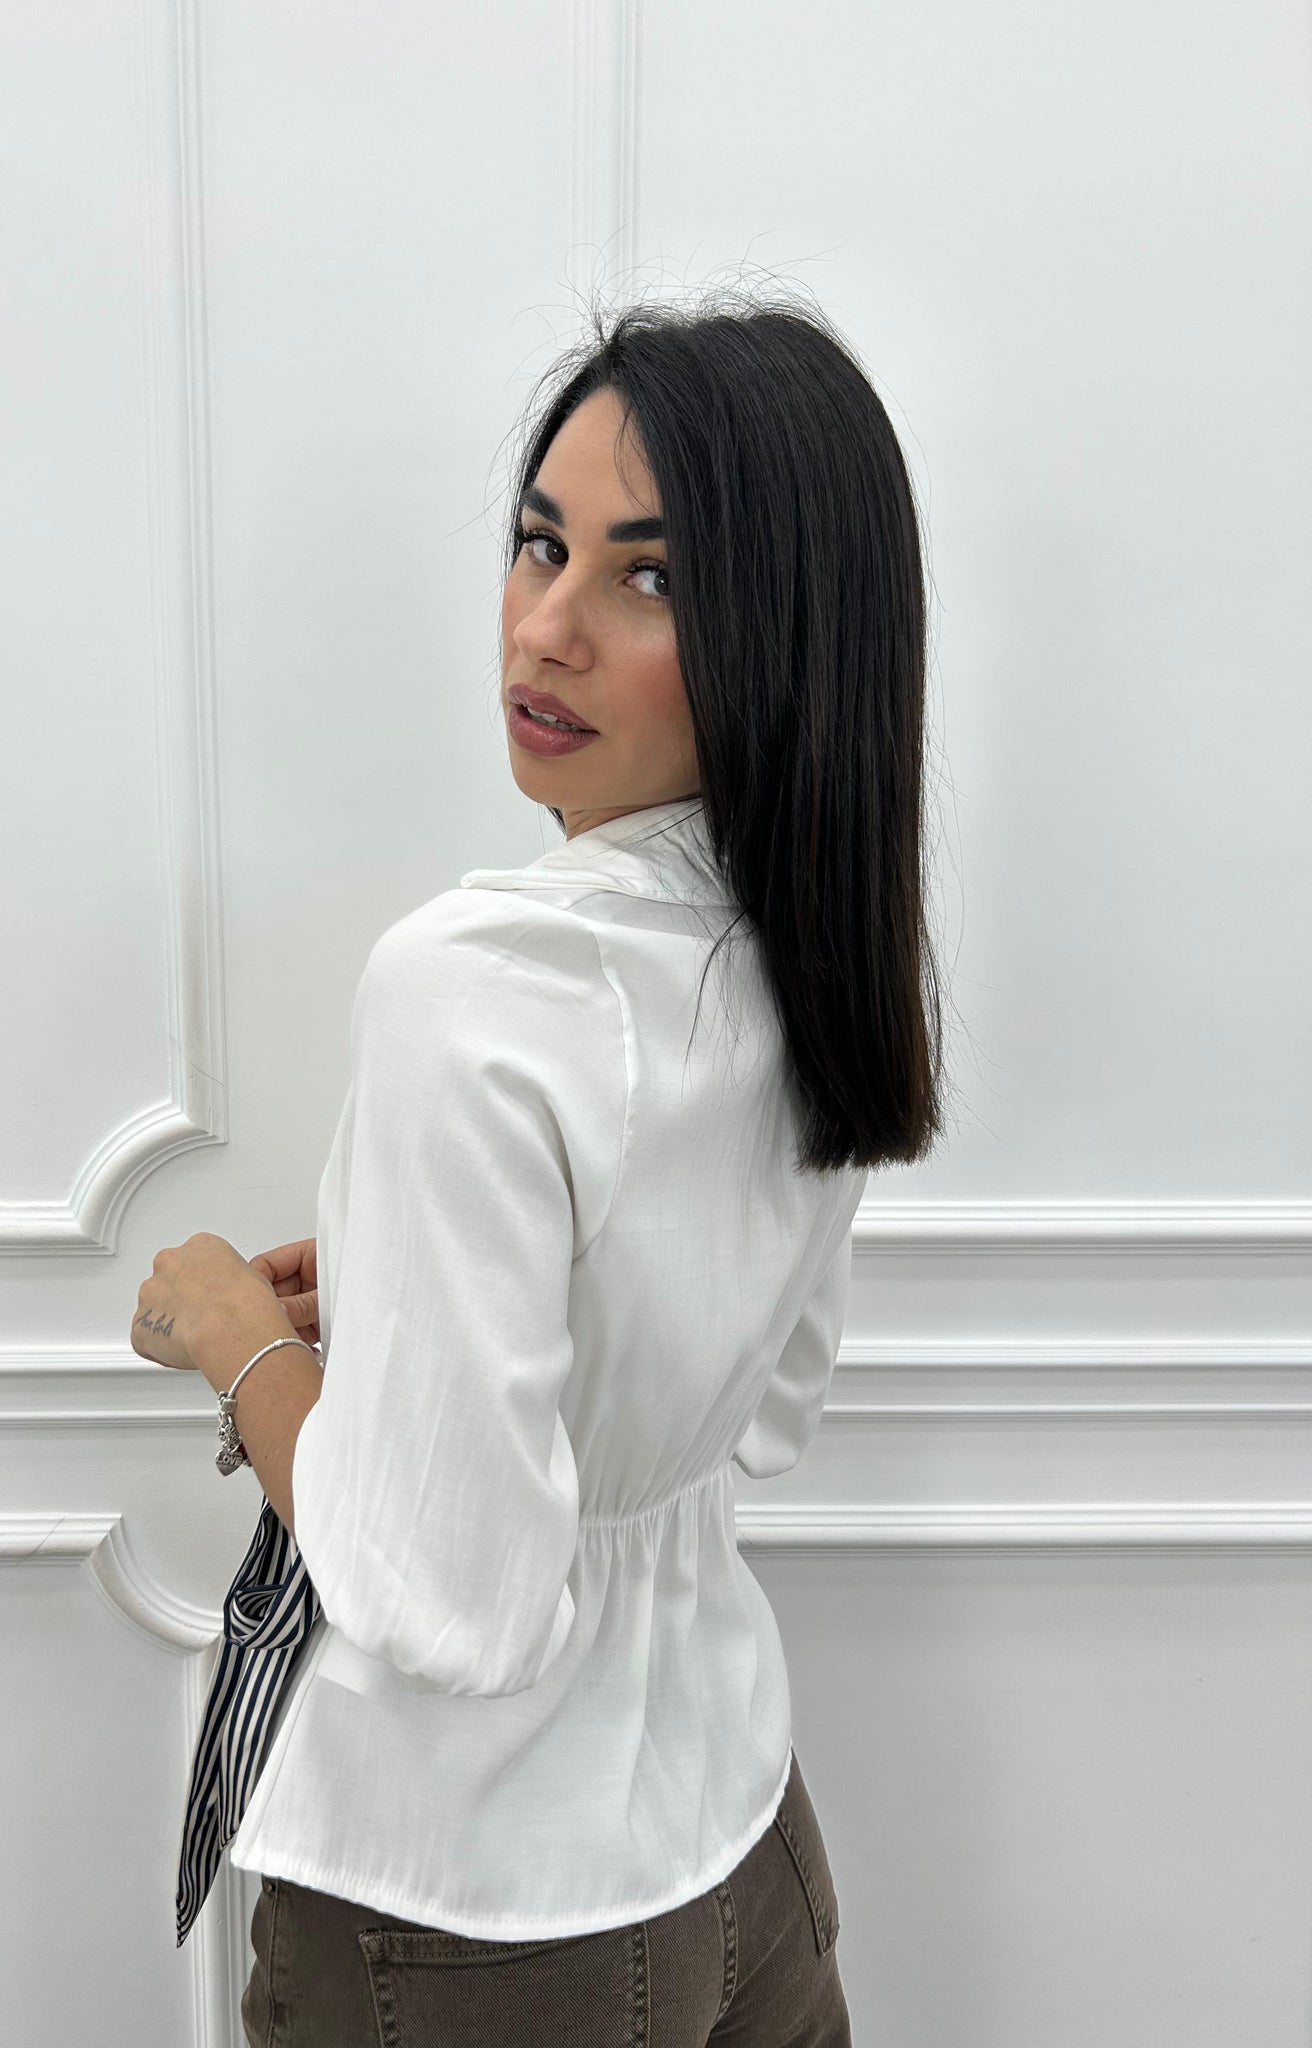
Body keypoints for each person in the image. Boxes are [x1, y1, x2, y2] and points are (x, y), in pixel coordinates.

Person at [132, 281, 946, 2045]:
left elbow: (452, 1600)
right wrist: (410, 1288)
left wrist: (239, 1341)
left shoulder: (477, 983)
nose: (547, 628)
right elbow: (767, 1400)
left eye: (650, 580)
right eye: (539, 544)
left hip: (472, 1918)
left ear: (783, 633)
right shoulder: (812, 946)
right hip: (743, 1846)